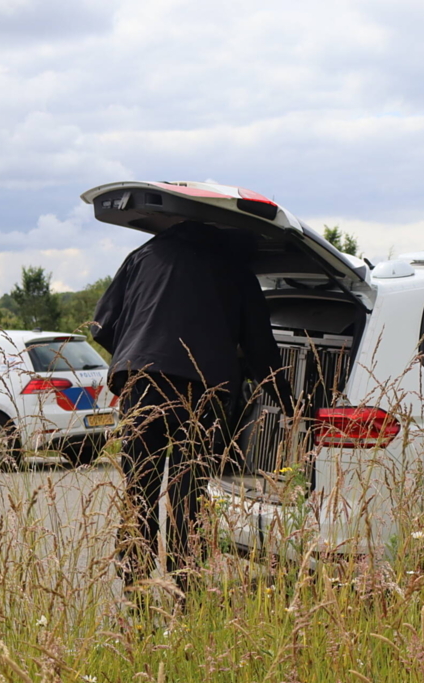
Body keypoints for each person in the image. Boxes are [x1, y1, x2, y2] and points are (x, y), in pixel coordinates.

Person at [92, 220, 293, 595]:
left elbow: (100, 326)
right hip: (202, 391)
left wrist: (136, 353)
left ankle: (135, 579)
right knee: (188, 490)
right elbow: (262, 354)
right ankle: (185, 582)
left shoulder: (143, 256)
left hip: (141, 382)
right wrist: (293, 406)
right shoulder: (235, 269)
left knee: (141, 485)